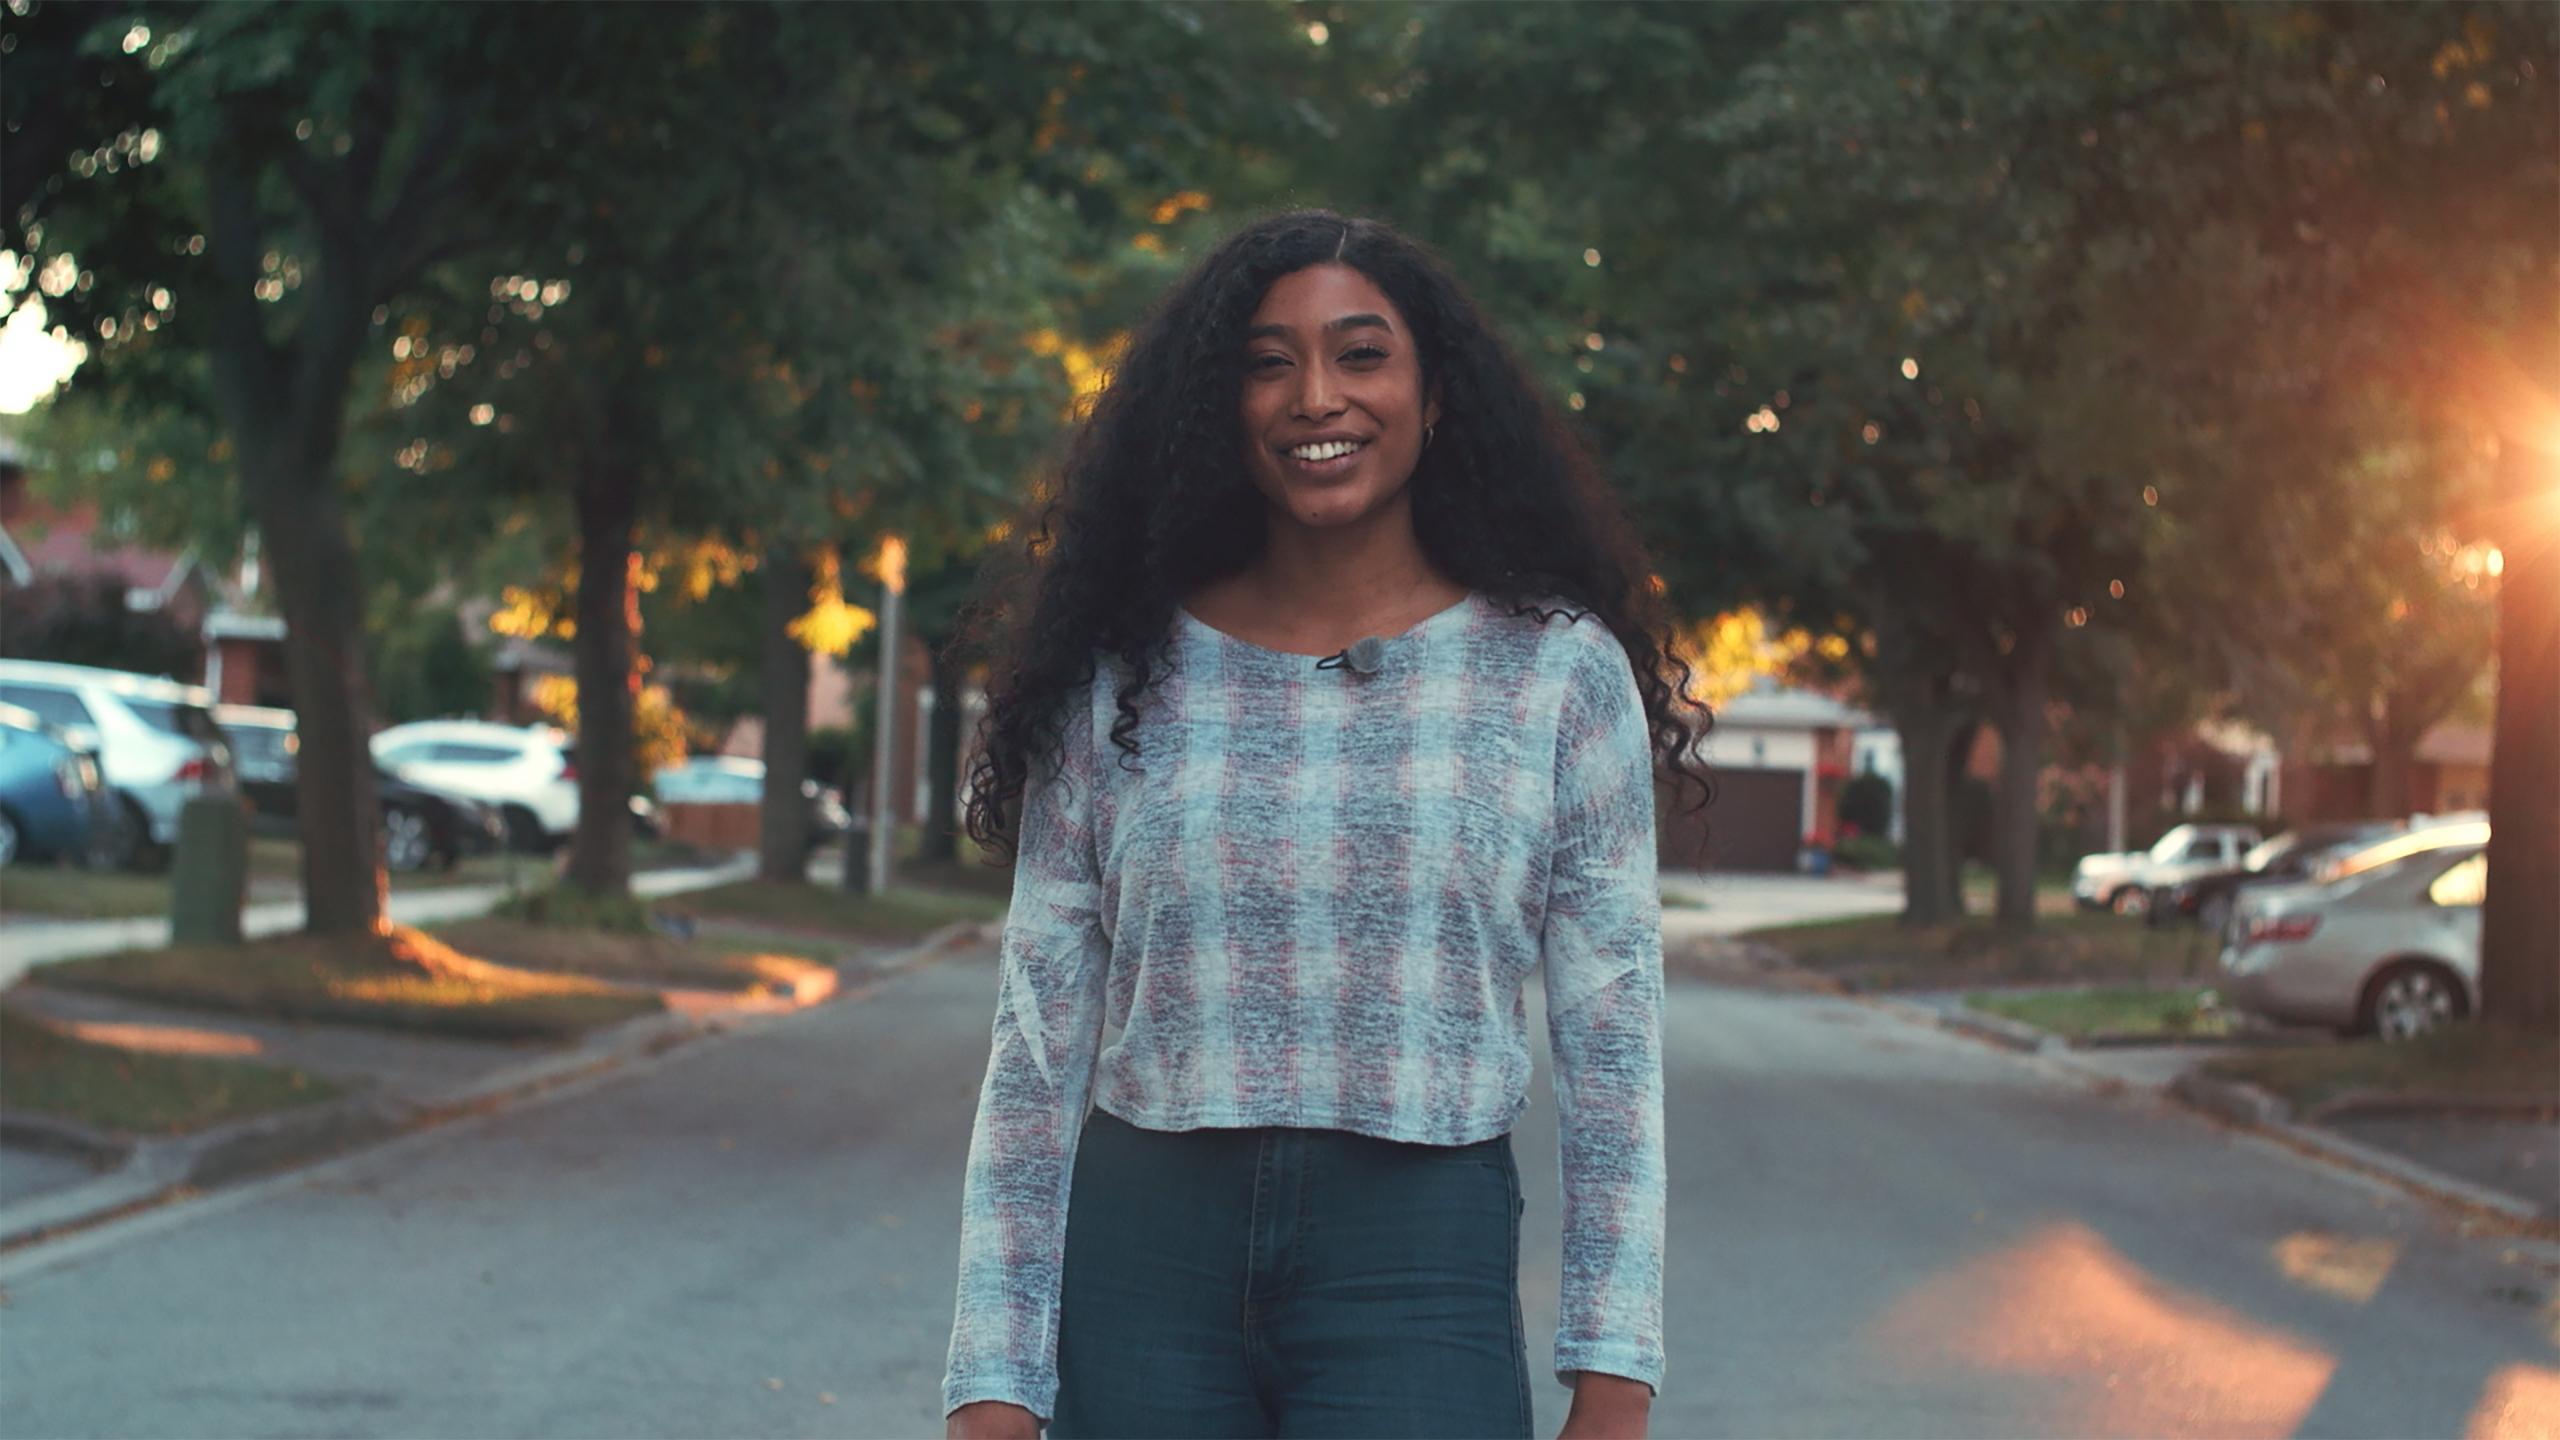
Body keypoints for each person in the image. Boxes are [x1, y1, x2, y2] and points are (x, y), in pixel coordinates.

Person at [940, 209, 1710, 1440]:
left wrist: (1614, 1372)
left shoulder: (1554, 675)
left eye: (1361, 355)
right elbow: (1034, 1049)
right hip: (1144, 1268)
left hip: (1419, 1266)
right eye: (1267, 362)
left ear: (1433, 394)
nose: (1315, 397)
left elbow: (1613, 1042)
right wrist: (993, 1377)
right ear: (1219, 404)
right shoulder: (1118, 675)